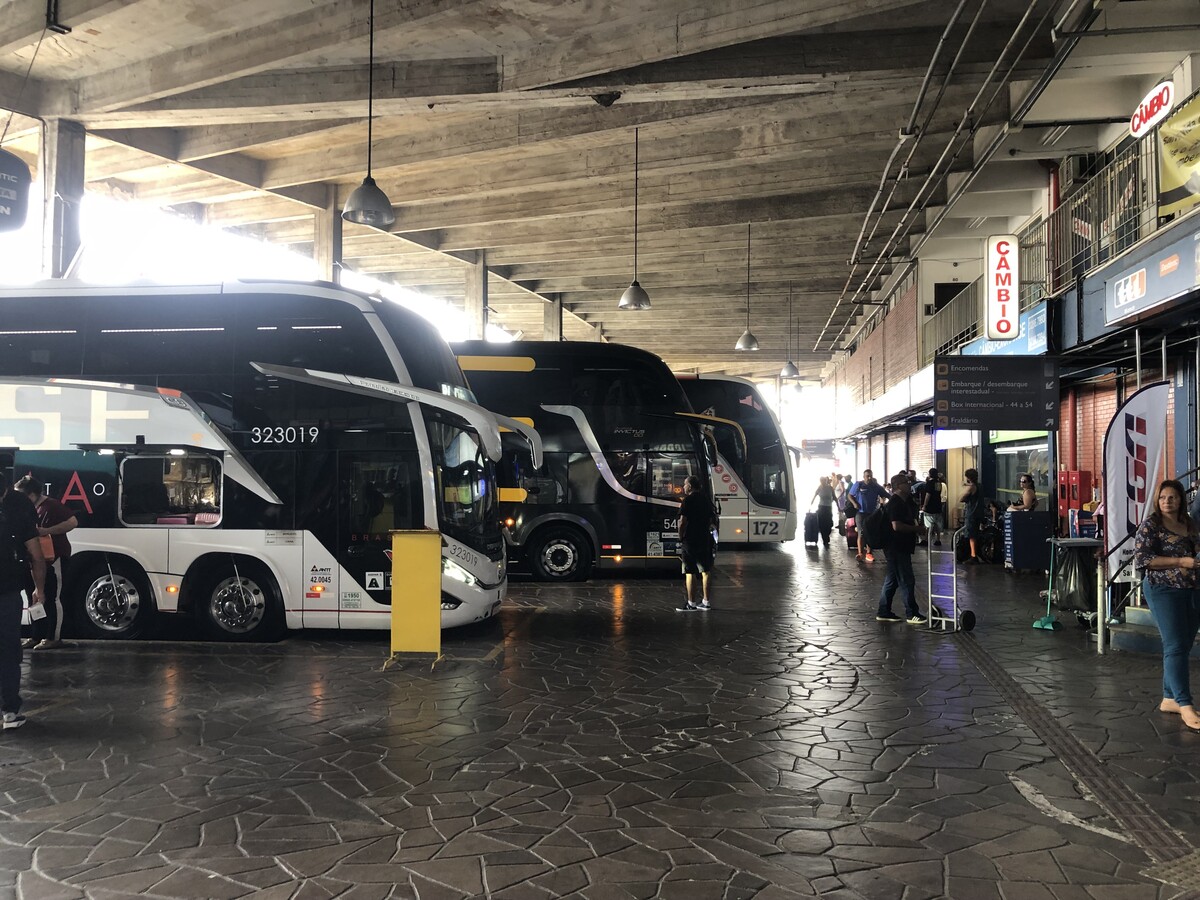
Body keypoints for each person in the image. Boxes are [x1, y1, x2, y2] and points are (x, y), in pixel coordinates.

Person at [1132, 479, 1200, 732]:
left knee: (1183, 645)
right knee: (1173, 645)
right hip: (1163, 590)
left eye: (1172, 497)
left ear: (1181, 499)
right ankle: (1185, 704)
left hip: (1192, 590)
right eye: (1162, 498)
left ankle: (1169, 698)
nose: (1167, 501)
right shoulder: (1151, 525)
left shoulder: (1189, 524)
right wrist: (1181, 561)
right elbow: (1144, 559)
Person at [1, 473, 47, 731]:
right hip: (6, 592)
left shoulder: (17, 505)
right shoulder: (19, 506)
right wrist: (39, 590)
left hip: (6, 591)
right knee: (8, 650)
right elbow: (36, 555)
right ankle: (9, 711)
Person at [16, 476, 77, 650]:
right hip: (33, 559)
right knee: (33, 596)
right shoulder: (28, 508)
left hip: (53, 557)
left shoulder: (51, 506)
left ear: (33, 494)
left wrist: (47, 531)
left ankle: (53, 637)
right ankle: (36, 635)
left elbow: (73, 522)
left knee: (52, 597)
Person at [876, 473, 925, 624]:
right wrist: (916, 529)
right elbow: (896, 526)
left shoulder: (905, 501)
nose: (909, 484)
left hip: (899, 546)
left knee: (892, 580)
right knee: (906, 580)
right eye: (906, 482)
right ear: (898, 486)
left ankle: (884, 611)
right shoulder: (895, 503)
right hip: (896, 547)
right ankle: (912, 613)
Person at [676, 475, 717, 612]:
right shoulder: (706, 499)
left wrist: (681, 536)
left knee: (690, 572)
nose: (683, 487)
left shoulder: (688, 500)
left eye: (685, 484)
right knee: (706, 570)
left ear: (690, 486)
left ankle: (691, 603)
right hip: (704, 538)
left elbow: (682, 521)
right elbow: (712, 519)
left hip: (690, 540)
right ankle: (706, 602)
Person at [848, 469, 888, 562]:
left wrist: (883, 500)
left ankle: (869, 553)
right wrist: (854, 503)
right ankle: (860, 553)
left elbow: (884, 494)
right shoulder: (858, 485)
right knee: (861, 533)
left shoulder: (875, 486)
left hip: (872, 514)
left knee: (870, 533)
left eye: (870, 476)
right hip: (861, 513)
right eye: (867, 476)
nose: (869, 478)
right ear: (864, 477)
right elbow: (850, 495)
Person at [961, 468, 983, 564]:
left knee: (971, 535)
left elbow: (962, 498)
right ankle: (975, 554)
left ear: (968, 477)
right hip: (979, 512)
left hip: (972, 513)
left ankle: (973, 556)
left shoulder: (971, 487)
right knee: (975, 534)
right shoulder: (980, 486)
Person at [920, 468, 944, 547]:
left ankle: (926, 539)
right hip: (938, 505)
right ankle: (938, 539)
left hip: (930, 507)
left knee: (928, 524)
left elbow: (928, 495)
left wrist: (924, 505)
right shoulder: (939, 483)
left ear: (930, 474)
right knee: (937, 524)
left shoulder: (930, 483)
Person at [810, 476, 835, 548]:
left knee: (829, 523)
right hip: (821, 507)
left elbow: (834, 497)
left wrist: (839, 507)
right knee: (821, 524)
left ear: (826, 481)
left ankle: (827, 535)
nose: (823, 482)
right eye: (821, 481)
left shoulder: (830, 488)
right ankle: (825, 538)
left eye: (824, 481)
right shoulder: (819, 488)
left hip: (828, 508)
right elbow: (814, 496)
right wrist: (811, 504)